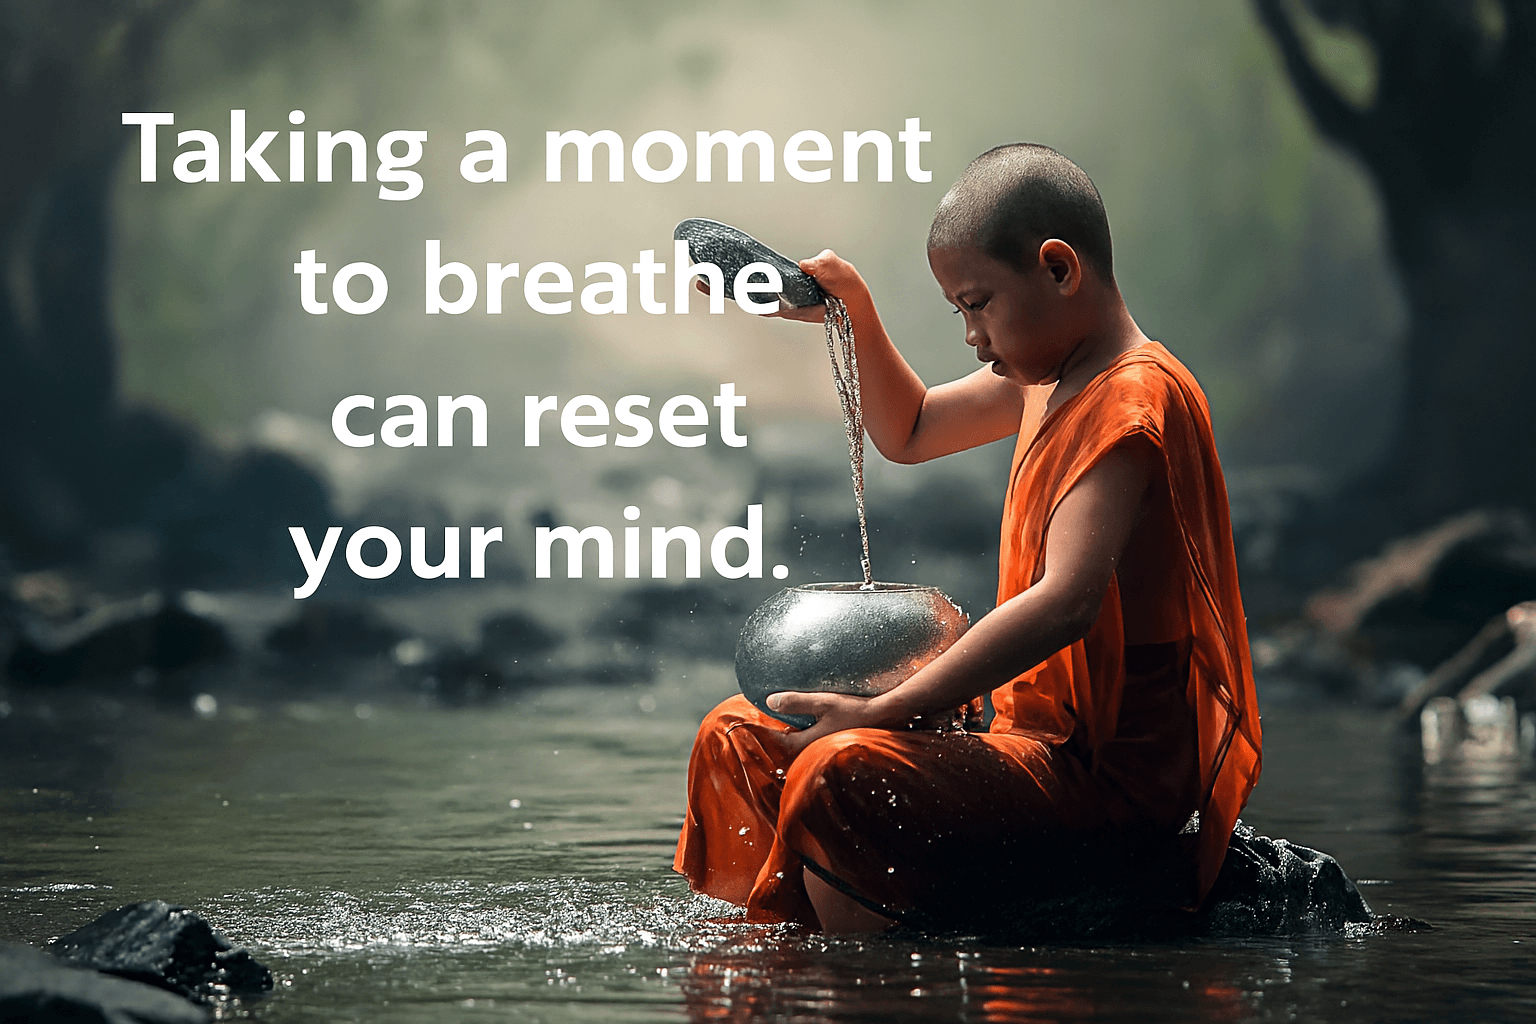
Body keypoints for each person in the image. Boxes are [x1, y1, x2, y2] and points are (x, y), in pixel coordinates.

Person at [674, 143, 1262, 934]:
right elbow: (911, 429)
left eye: (978, 304)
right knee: (737, 737)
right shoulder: (1044, 379)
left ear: (1059, 269)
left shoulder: (1133, 397)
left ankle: (844, 974)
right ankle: (762, 963)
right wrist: (849, 310)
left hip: (1105, 776)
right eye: (959, 311)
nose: (971, 335)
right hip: (1024, 743)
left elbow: (1066, 603)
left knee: (835, 771)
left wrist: (889, 711)